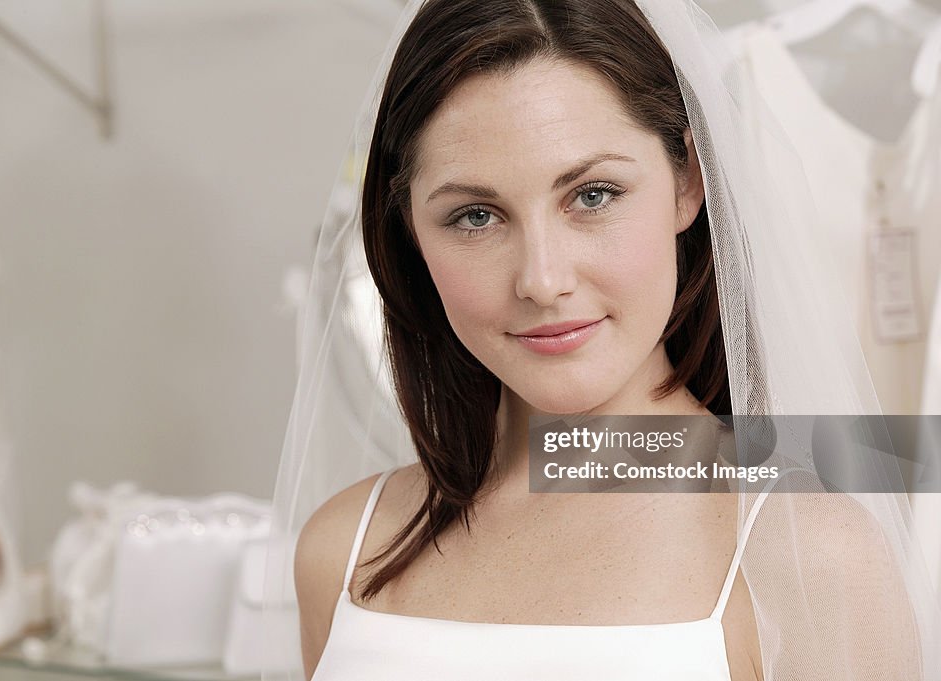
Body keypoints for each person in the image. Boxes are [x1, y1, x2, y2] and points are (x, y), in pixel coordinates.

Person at [268, 1, 941, 679]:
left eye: (592, 195)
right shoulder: (344, 552)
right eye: (475, 215)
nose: (542, 279)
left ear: (688, 182)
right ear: (411, 230)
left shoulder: (809, 560)